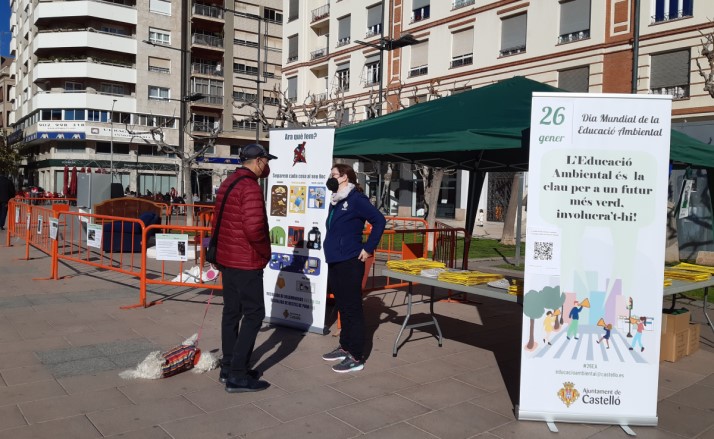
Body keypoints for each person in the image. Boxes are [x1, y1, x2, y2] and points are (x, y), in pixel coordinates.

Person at [211, 143, 276, 393]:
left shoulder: (229, 182)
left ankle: (228, 365)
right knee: (254, 314)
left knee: (231, 312)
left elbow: (217, 220)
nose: (267, 166)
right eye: (266, 161)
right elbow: (254, 228)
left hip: (228, 258)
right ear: (259, 161)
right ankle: (237, 375)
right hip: (245, 260)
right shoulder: (250, 187)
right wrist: (265, 252)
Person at [322, 164, 386, 373]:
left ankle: (356, 355)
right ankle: (345, 346)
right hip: (335, 259)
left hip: (350, 260)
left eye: (334, 175)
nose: (331, 178)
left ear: (346, 177)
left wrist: (368, 248)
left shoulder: (356, 199)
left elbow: (379, 220)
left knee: (353, 308)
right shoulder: (336, 200)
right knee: (342, 306)